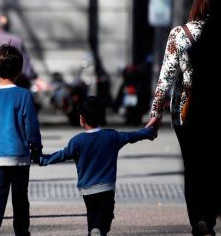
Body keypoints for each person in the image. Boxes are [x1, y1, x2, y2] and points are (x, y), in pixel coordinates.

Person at [146, 0, 219, 236]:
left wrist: (156, 113)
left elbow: (166, 77)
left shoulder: (180, 34)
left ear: (197, 6)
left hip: (186, 112)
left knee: (192, 166)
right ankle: (209, 217)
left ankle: (198, 220)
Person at [40, 96, 155, 236]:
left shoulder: (77, 141)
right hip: (106, 187)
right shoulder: (112, 136)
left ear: (82, 119)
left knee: (92, 215)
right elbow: (132, 136)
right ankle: (98, 230)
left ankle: (94, 230)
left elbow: (61, 155)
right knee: (106, 216)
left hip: (87, 189)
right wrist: (148, 132)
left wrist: (43, 159)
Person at [0, 43, 43, 236]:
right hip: (20, 157)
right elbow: (31, 126)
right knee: (20, 198)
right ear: (20, 70)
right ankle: (21, 231)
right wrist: (36, 147)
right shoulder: (24, 95)